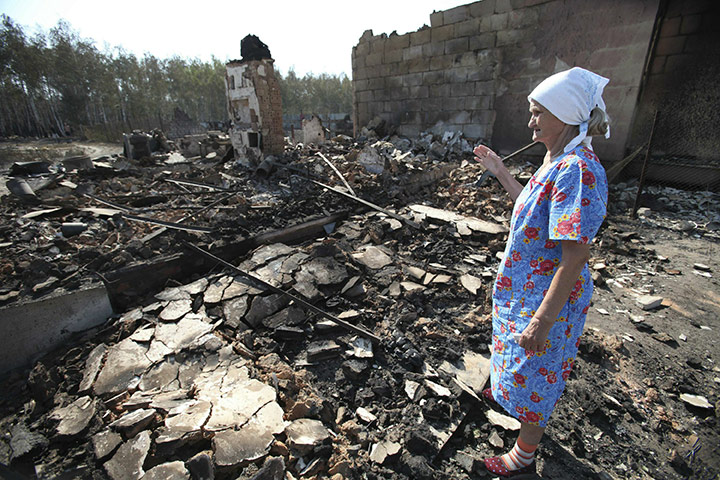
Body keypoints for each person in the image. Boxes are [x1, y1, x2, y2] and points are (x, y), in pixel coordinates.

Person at [473, 67, 610, 477]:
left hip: (547, 296)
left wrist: (542, 320)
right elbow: (532, 212)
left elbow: (574, 256)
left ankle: (524, 456)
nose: (530, 121)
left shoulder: (578, 171)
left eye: (537, 113)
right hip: (525, 287)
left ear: (564, 116)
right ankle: (507, 391)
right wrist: (501, 172)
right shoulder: (556, 160)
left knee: (537, 373)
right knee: (519, 359)